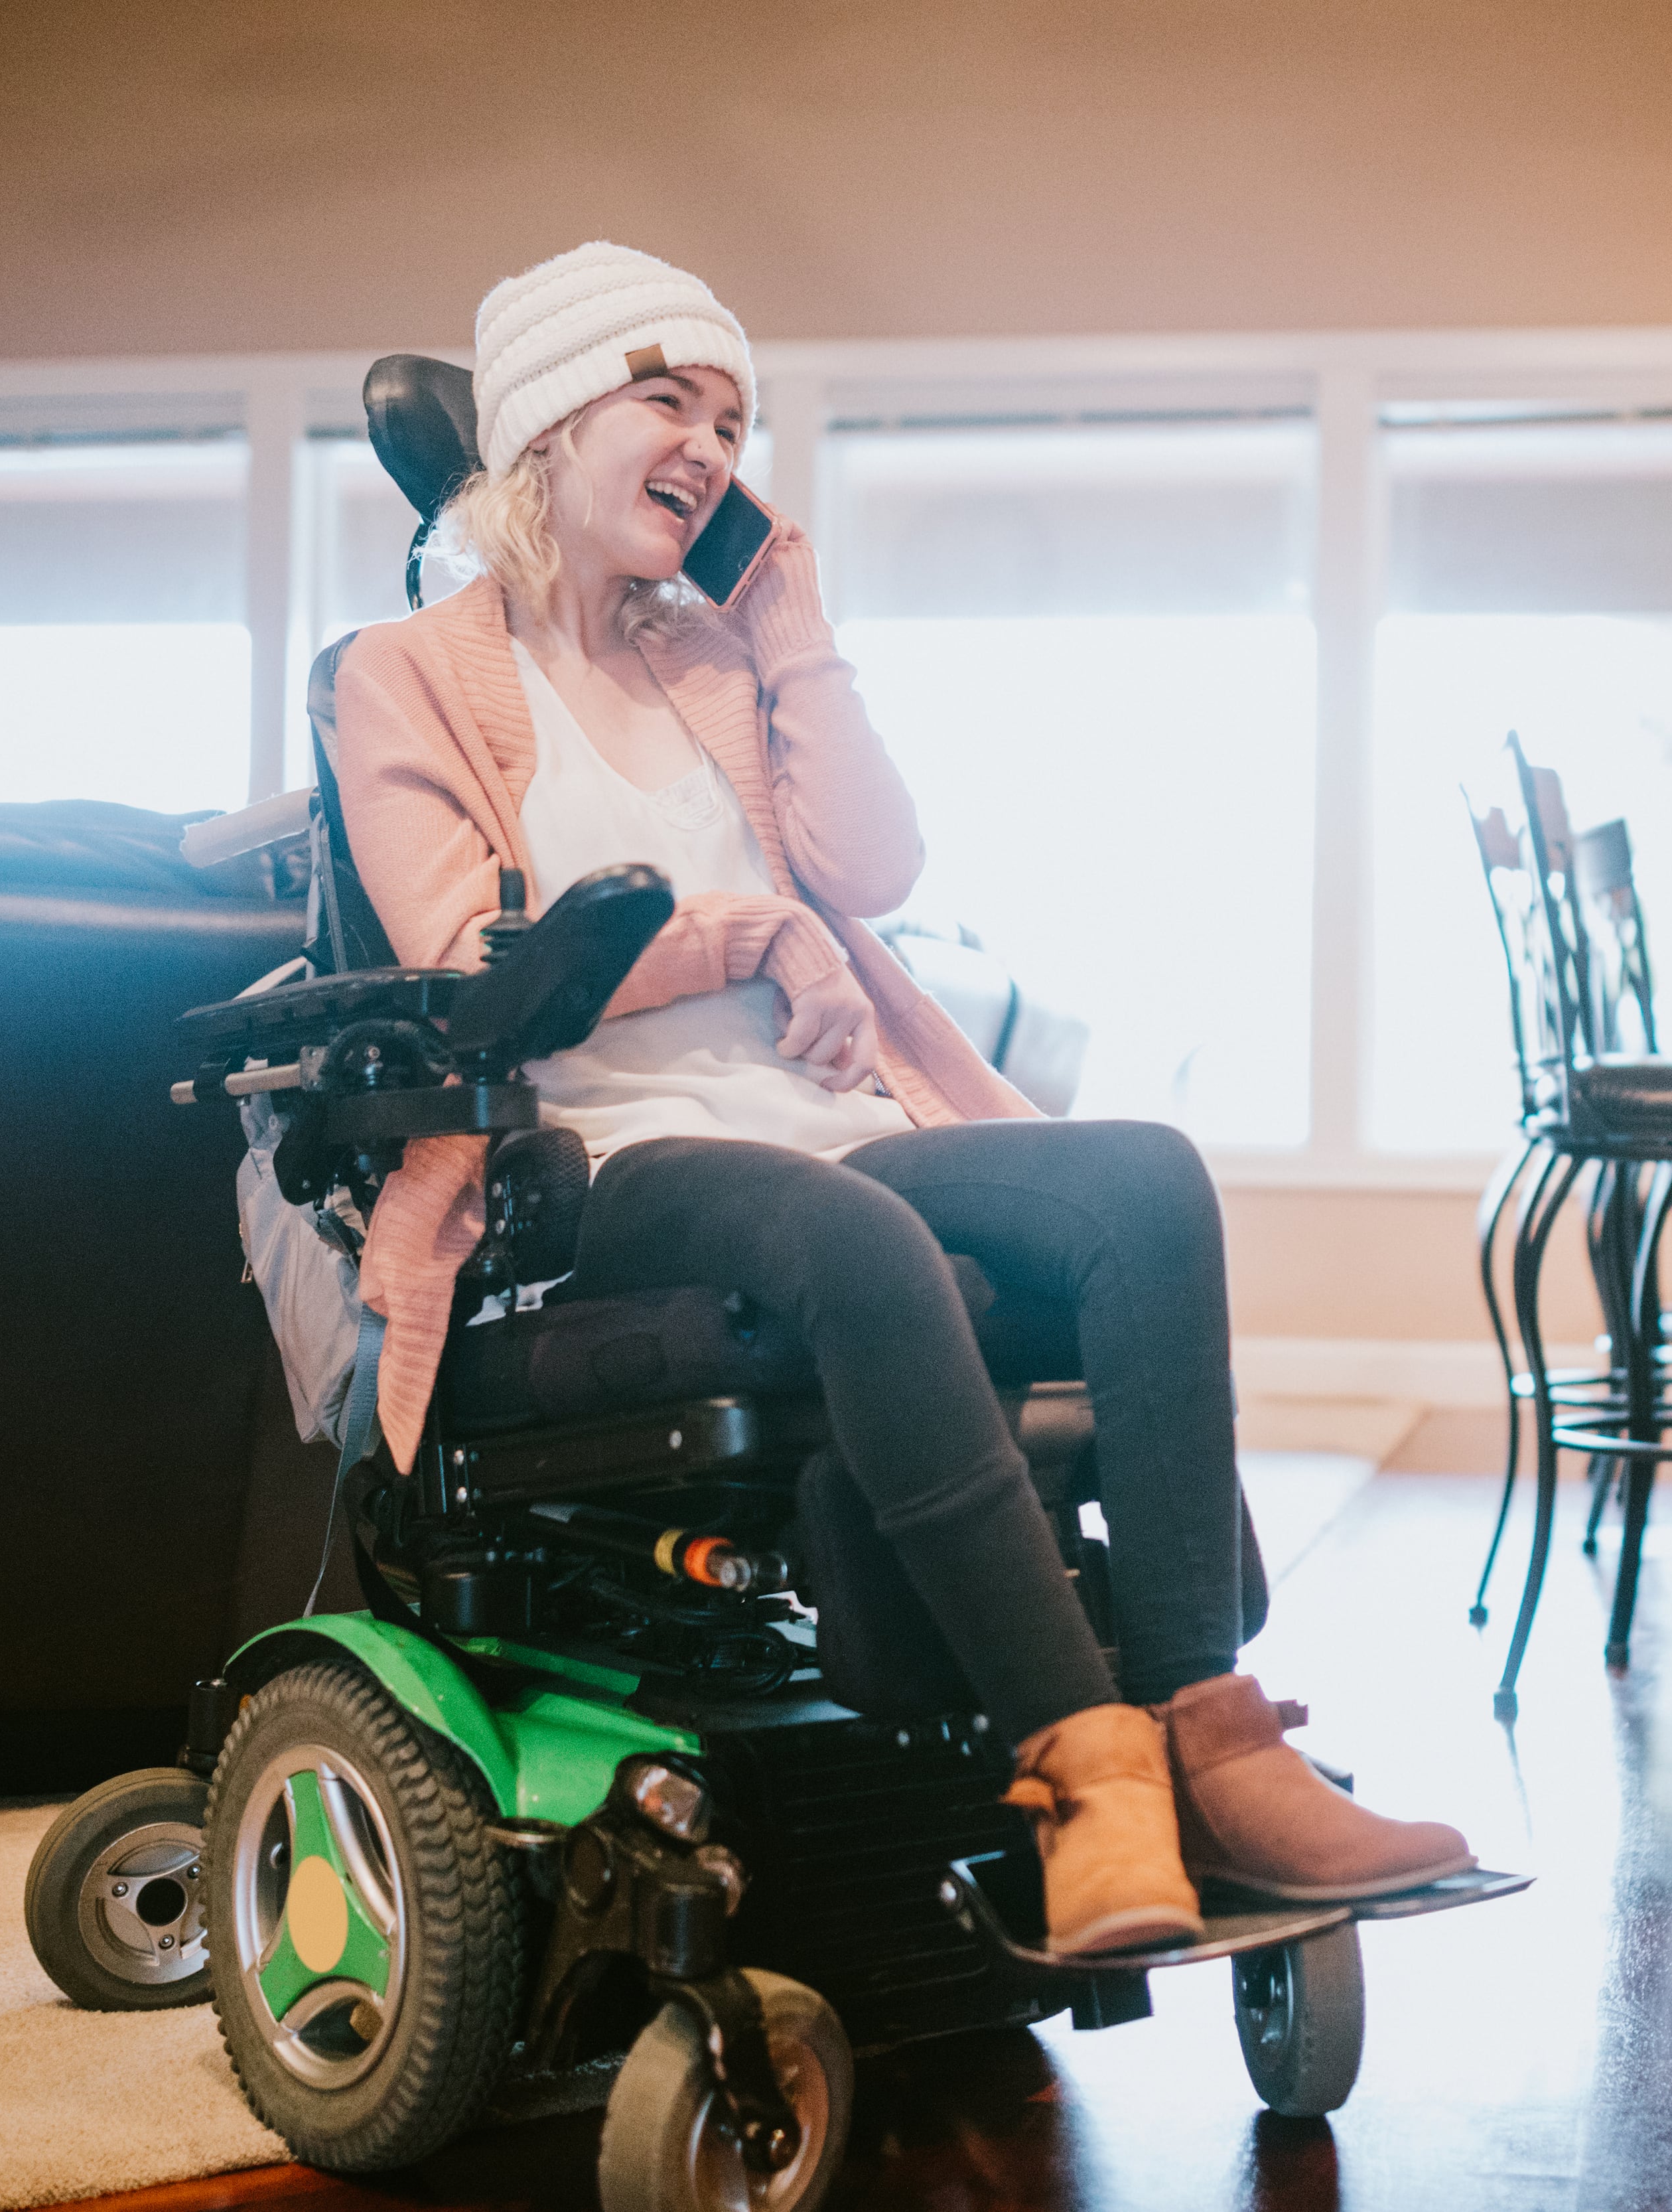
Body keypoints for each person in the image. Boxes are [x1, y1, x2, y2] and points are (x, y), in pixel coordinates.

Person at [325, 242, 1468, 1954]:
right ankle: (1091, 1779)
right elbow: (465, 959)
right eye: (669, 403)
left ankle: (1212, 1743)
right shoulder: (405, 673)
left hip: (824, 1124)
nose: (711, 447)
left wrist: (784, 623)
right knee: (863, 1245)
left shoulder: (712, 657)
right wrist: (742, 928)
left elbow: (877, 861)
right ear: (550, 428)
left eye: (731, 419)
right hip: (597, 1159)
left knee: (1144, 1182)